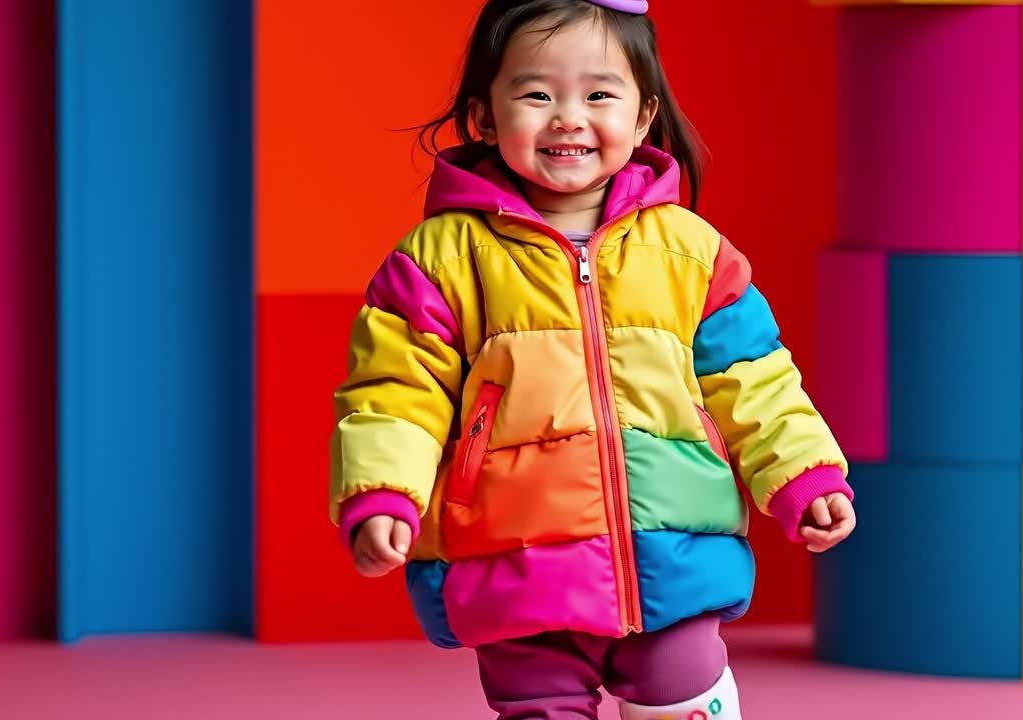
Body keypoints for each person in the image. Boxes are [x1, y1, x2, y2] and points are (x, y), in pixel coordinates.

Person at [329, 1, 856, 717]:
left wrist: (802, 473)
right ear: (484, 118)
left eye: (599, 94)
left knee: (687, 695)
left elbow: (754, 378)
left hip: (671, 555)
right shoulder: (438, 260)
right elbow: (395, 391)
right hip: (516, 564)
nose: (568, 117)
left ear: (642, 118)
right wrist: (384, 490)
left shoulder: (693, 252)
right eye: (537, 94)